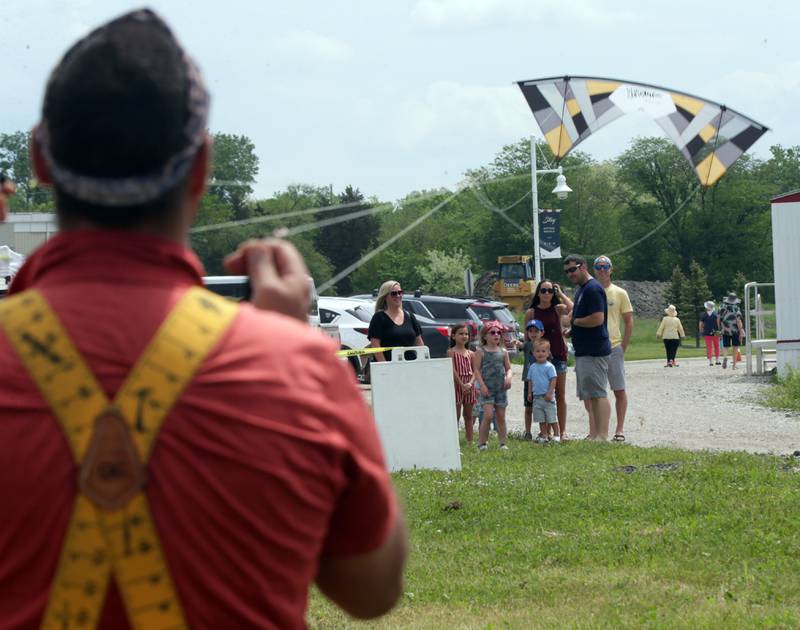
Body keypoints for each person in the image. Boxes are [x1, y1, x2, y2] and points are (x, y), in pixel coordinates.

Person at [0, 10, 406, 628]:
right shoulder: (296, 368)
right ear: (201, 166)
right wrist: (296, 353)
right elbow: (372, 589)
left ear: (39, 160)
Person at [563, 254, 611, 441]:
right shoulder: (582, 289)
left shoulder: (593, 289)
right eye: (567, 271)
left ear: (583, 267)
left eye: (573, 269)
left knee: (599, 393)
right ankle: (595, 434)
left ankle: (603, 435)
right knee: (590, 395)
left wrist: (573, 320)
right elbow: (584, 320)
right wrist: (571, 330)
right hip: (584, 350)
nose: (570, 274)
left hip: (595, 349)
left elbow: (597, 319)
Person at [587, 255, 633, 442]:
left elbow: (629, 321)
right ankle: (596, 430)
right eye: (598, 266)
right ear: (594, 270)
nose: (602, 269)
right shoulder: (589, 290)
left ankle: (619, 429)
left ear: (611, 270)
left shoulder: (619, 293)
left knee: (619, 390)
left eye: (606, 266)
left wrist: (623, 346)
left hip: (613, 346)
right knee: (593, 392)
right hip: (593, 347)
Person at [524, 279, 572, 439]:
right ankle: (545, 431)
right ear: (538, 293)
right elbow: (526, 338)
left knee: (560, 394)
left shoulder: (557, 309)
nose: (546, 294)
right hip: (540, 359)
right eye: (543, 290)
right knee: (541, 394)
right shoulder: (532, 312)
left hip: (558, 354)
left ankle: (562, 430)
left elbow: (572, 309)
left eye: (550, 291)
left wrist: (561, 294)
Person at [473, 321, 512, 451]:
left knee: (501, 416)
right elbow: (476, 370)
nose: (496, 335)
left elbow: (508, 368)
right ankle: (482, 443)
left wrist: (509, 378)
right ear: (485, 336)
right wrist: (482, 386)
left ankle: (503, 443)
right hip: (486, 389)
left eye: (499, 333)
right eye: (493, 332)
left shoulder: (503, 351)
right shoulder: (481, 351)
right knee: (488, 415)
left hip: (500, 388)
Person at [367, 279, 424, 362]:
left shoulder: (409, 316)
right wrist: (385, 366)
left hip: (411, 366)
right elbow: (375, 345)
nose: (398, 295)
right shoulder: (379, 318)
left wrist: (422, 361)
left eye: (400, 292)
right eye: (393, 293)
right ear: (385, 297)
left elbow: (419, 342)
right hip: (389, 367)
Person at [527, 339, 560, 443]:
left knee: (551, 417)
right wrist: (529, 393)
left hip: (548, 397)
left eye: (543, 351)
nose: (540, 353)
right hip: (537, 397)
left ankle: (556, 435)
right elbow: (530, 381)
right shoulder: (532, 367)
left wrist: (550, 393)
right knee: (540, 418)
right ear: (533, 353)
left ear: (548, 353)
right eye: (537, 351)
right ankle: (544, 435)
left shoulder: (550, 366)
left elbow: (553, 380)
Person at [448, 322, 477, 443]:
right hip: (456, 385)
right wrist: (461, 384)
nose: (464, 336)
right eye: (461, 334)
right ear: (453, 336)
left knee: (469, 416)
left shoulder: (471, 353)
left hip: (469, 386)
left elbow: (476, 371)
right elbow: (452, 370)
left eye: (466, 334)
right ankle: (454, 442)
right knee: (456, 415)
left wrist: (470, 383)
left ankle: (470, 440)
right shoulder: (451, 352)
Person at [519, 319, 544, 441]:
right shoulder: (527, 345)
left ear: (542, 333)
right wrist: (516, 343)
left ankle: (543, 432)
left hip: (541, 382)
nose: (533, 334)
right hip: (528, 380)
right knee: (528, 407)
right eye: (530, 331)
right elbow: (520, 346)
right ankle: (528, 432)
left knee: (541, 407)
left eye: (536, 331)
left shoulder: (544, 346)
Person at [718, 292, 745, 370]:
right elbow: (738, 320)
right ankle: (734, 365)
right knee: (735, 347)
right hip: (735, 330)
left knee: (725, 346)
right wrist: (741, 330)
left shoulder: (721, 307)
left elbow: (718, 318)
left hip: (725, 329)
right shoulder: (736, 308)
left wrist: (720, 327)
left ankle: (725, 357)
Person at [700, 300, 722, 366]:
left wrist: (701, 331)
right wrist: (719, 330)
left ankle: (710, 361)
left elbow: (701, 324)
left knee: (709, 347)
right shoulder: (716, 314)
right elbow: (718, 323)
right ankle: (717, 360)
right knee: (717, 346)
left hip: (706, 331)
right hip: (716, 331)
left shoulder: (703, 314)